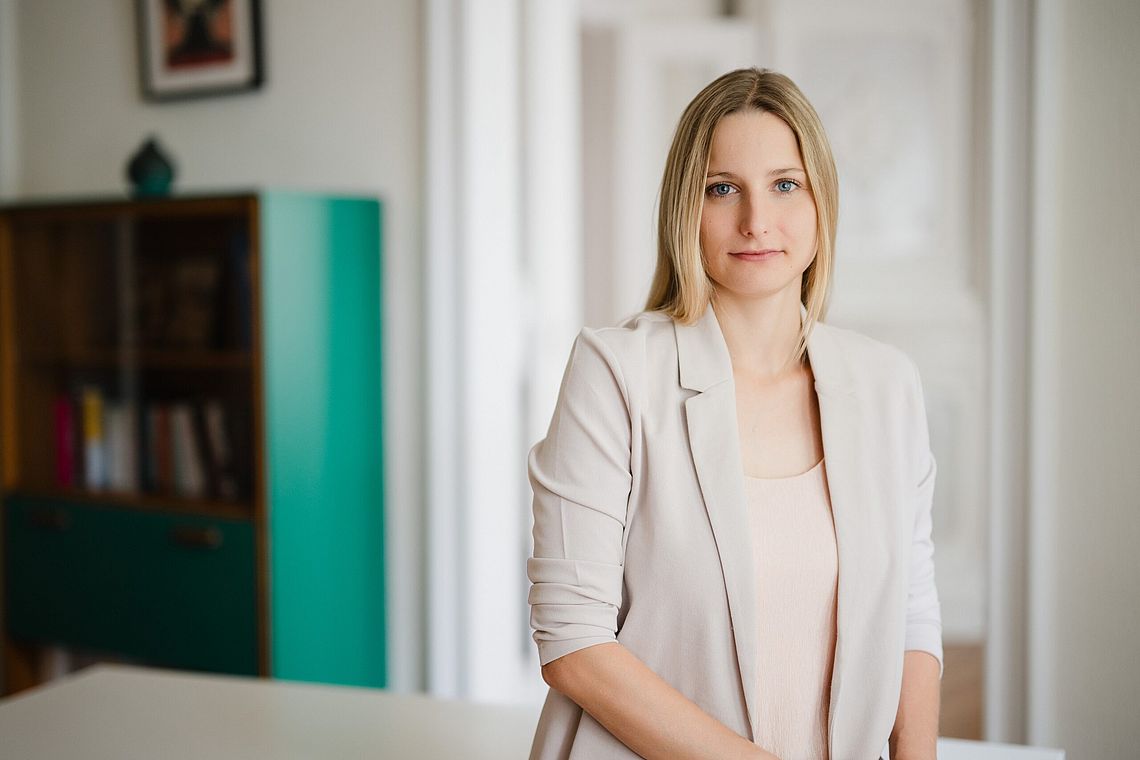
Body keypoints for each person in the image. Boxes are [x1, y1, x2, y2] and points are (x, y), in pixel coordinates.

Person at [526, 67, 942, 760]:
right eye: (722, 188)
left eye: (785, 184)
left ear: (822, 201)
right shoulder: (615, 372)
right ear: (685, 207)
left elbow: (912, 615)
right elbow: (574, 643)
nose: (756, 221)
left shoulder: (887, 384)